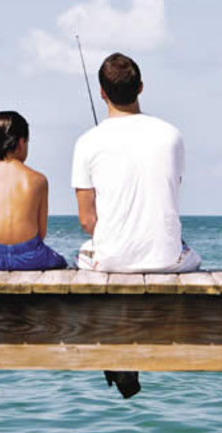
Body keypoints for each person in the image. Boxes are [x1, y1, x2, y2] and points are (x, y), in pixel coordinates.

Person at [72, 52, 201, 273]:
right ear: (140, 87)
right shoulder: (171, 135)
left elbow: (87, 221)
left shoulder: (86, 142)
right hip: (167, 260)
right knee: (192, 255)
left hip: (110, 261)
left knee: (79, 255)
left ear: (102, 93)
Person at [0, 111, 67, 270]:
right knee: (61, 261)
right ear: (21, 143)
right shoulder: (39, 180)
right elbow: (40, 233)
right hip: (30, 257)